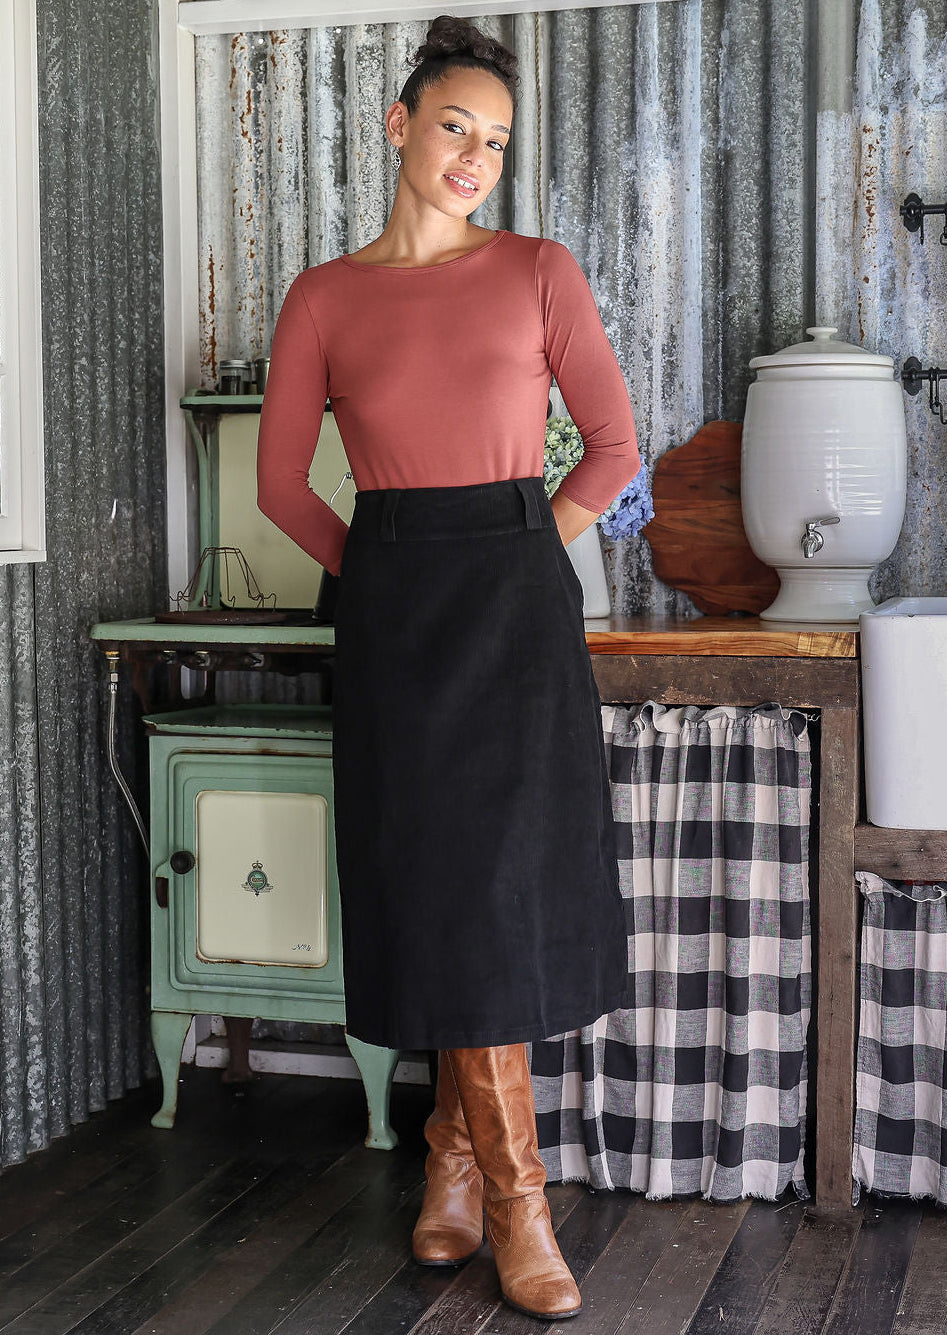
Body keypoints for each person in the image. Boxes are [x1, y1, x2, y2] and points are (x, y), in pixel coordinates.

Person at [257, 15, 639, 1322]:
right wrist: (384, 574)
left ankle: (493, 1187)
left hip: (517, 603)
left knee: (500, 891)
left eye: (496, 140)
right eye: (456, 128)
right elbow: (277, 487)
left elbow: (612, 448)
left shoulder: (540, 270)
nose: (476, 155)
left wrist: (529, 550)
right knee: (435, 889)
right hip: (397, 614)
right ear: (400, 126)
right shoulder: (324, 296)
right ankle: (467, 1169)